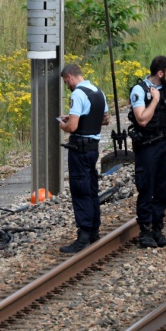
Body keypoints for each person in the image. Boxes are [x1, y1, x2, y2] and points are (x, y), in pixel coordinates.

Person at [128, 55, 166, 248]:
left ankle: (157, 229)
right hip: (147, 147)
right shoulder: (140, 91)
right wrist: (154, 100)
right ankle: (145, 231)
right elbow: (142, 119)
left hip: (165, 145)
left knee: (163, 188)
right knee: (146, 188)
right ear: (160, 73)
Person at [58, 63, 109, 253]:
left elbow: (72, 127)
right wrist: (75, 117)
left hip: (79, 148)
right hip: (93, 148)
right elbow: (105, 119)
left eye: (66, 82)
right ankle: (94, 229)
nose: (67, 86)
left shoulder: (78, 94)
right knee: (91, 187)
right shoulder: (98, 92)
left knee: (80, 189)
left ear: (70, 77)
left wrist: (63, 124)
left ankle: (84, 234)